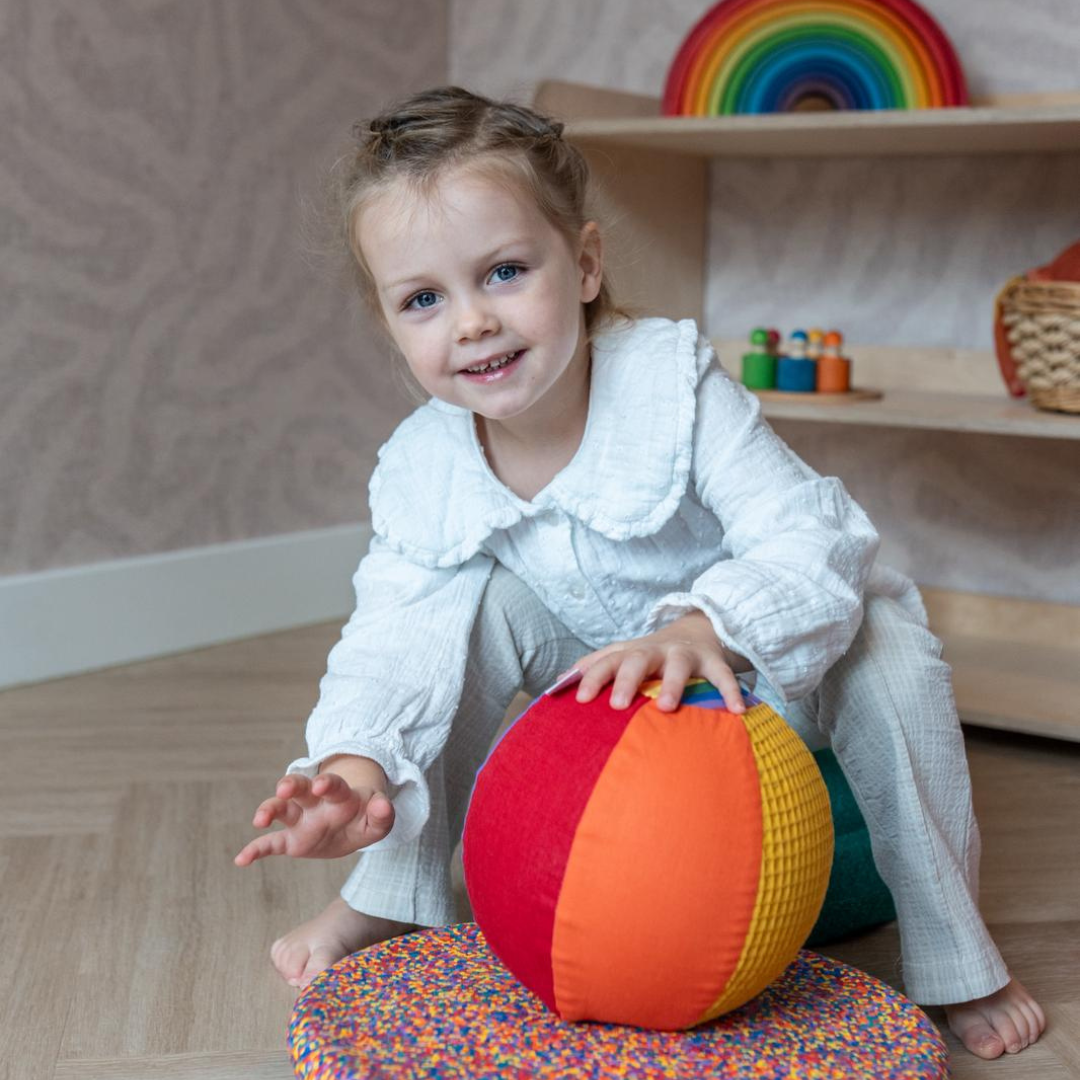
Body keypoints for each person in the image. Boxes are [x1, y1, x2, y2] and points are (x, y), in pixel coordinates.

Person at [233, 85, 1045, 1060]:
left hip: (776, 669)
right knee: (466, 613)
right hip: (611, 698)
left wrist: (706, 628)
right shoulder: (423, 465)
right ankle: (390, 897)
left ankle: (957, 955)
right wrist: (352, 763)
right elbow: (390, 638)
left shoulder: (669, 383)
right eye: (423, 300)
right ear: (389, 321)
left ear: (583, 265)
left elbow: (812, 532)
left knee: (891, 648)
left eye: (503, 273)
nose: (473, 322)